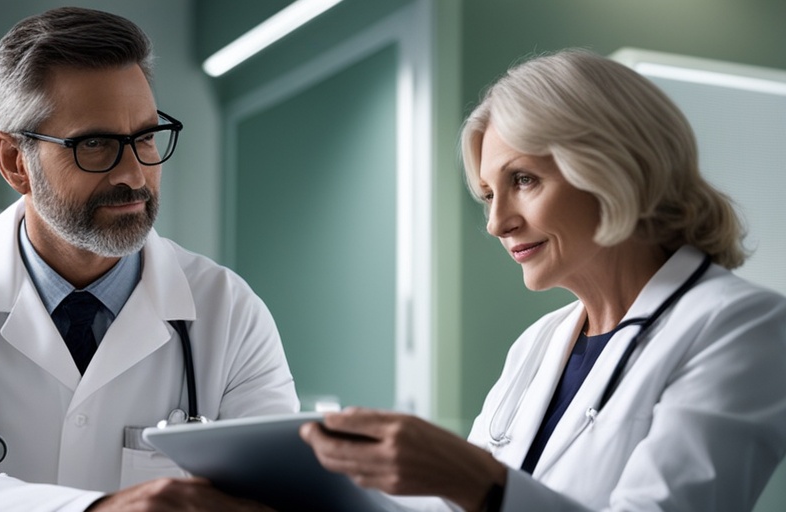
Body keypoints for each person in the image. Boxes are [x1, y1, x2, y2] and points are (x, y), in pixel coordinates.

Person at [0, 7, 297, 512]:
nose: (135, 175)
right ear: (16, 162)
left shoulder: (230, 312)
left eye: (145, 136)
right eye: (95, 144)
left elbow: (282, 496)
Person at [301, 49, 786, 511]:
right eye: (489, 195)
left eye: (523, 180)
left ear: (616, 167)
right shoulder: (539, 342)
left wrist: (473, 478)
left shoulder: (743, 326)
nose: (497, 223)